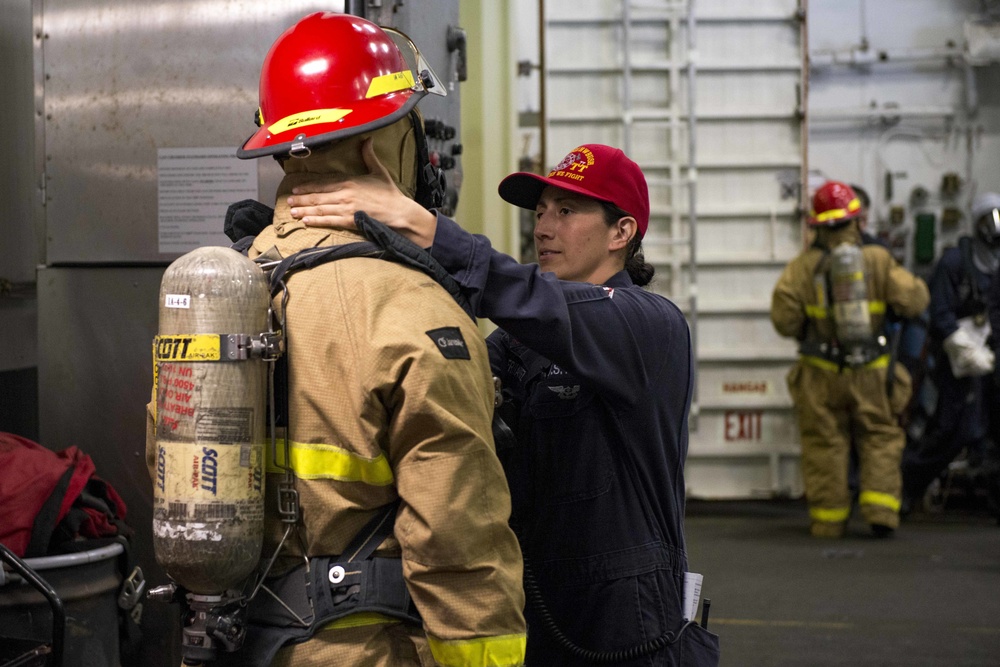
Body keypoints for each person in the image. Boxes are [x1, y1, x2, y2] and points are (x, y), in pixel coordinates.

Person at [147, 13, 526, 667]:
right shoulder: (414, 309)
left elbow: (165, 459)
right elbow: (459, 546)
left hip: (235, 644)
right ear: (383, 148)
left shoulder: (217, 300)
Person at [286, 142, 721, 666]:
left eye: (566, 211)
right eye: (539, 212)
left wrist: (421, 226)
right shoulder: (516, 344)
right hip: (532, 608)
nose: (543, 227)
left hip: (626, 627)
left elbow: (539, 303)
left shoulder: (650, 326)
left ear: (621, 232)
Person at [771, 181, 929, 538]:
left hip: (820, 374)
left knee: (825, 443)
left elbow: (784, 320)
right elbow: (916, 301)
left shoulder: (801, 268)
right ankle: (881, 514)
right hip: (871, 372)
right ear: (856, 221)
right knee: (880, 438)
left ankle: (829, 521)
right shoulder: (878, 259)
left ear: (817, 225)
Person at [902, 192, 1000, 512]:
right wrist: (962, 346)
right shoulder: (955, 262)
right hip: (959, 361)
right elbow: (939, 310)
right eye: (989, 219)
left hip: (992, 359)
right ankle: (905, 486)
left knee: (990, 432)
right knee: (952, 430)